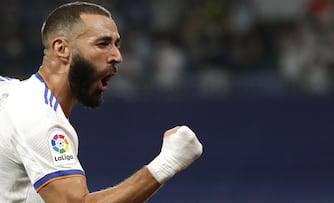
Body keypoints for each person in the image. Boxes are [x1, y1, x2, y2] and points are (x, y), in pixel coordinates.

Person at [0, 2, 203, 203]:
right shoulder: (41, 117)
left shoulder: (12, 92)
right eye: (102, 44)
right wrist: (168, 162)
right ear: (61, 49)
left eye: (116, 44)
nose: (117, 56)